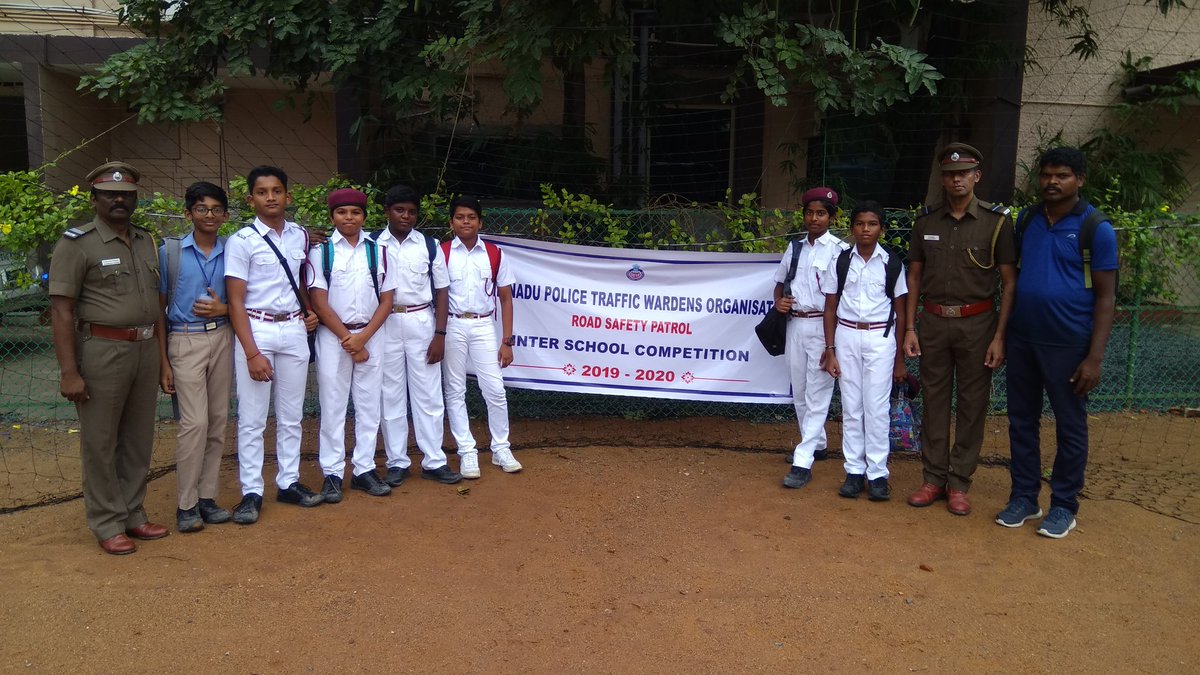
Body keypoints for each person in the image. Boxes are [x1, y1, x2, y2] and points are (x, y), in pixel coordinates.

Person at [48, 161, 169, 555]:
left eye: (127, 195)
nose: (120, 200)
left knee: (137, 439)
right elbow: (62, 310)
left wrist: (161, 359)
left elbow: (156, 303)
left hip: (145, 349)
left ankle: (133, 514)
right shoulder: (77, 243)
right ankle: (106, 522)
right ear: (95, 198)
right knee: (101, 441)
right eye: (111, 194)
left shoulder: (145, 240)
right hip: (102, 350)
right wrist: (70, 372)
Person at [997, 147, 1117, 539]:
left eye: (1061, 175)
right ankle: (1025, 496)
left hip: (1069, 346)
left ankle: (1064, 504)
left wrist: (1094, 358)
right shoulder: (1028, 219)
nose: (1052, 182)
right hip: (1024, 338)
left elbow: (1106, 297)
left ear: (1078, 180)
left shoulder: (1094, 227)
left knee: (1069, 425)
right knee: (1021, 420)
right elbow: (1014, 276)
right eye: (1046, 175)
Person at [903, 143, 1017, 516]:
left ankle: (960, 483)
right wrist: (909, 327)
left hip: (978, 325)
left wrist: (999, 336)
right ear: (943, 177)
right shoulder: (926, 222)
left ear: (976, 177)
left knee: (971, 406)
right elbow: (914, 277)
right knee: (934, 402)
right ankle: (933, 478)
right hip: (933, 323)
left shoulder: (996, 223)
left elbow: (1009, 283)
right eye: (950, 174)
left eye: (963, 173)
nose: (956, 179)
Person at [224, 165, 322, 524]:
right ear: (250, 199)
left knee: (292, 415)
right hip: (257, 329)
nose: (270, 198)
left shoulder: (299, 236)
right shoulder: (241, 241)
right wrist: (251, 351)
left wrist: (309, 312)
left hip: (294, 330)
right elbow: (235, 301)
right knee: (252, 418)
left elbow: (302, 280)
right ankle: (251, 490)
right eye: (262, 192)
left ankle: (289, 481)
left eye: (277, 191)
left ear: (287, 196)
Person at [308, 188, 398, 501]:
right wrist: (349, 339)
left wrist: (363, 337)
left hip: (372, 335)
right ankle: (332, 473)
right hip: (334, 338)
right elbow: (318, 301)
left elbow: (387, 300)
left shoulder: (378, 251)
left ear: (364, 216)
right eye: (342, 212)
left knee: (369, 405)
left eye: (355, 213)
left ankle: (364, 469)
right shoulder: (321, 253)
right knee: (332, 406)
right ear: (332, 216)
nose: (349, 218)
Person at [157, 181, 235, 533]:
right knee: (194, 424)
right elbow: (158, 310)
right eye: (202, 209)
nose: (209, 215)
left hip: (222, 336)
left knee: (218, 420)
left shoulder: (232, 249)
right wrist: (163, 362)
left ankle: (207, 497)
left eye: (217, 209)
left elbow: (246, 297)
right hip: (184, 340)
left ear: (226, 215)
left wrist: (225, 308)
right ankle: (185, 504)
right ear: (188, 213)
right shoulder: (170, 252)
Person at [374, 185, 462, 486]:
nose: (406, 216)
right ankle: (397, 462)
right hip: (384, 323)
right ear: (387, 212)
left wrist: (440, 333)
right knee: (391, 394)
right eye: (400, 210)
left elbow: (442, 291)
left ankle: (434, 460)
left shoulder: (429, 245)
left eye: (411, 211)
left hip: (421, 322)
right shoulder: (372, 243)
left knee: (428, 395)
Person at [821, 201, 908, 501]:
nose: (865, 229)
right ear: (852, 228)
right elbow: (830, 306)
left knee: (877, 407)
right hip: (846, 336)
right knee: (852, 406)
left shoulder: (892, 263)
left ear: (881, 229)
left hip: (879, 339)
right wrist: (830, 349)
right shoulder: (842, 261)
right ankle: (854, 472)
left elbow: (900, 311)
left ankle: (878, 473)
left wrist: (899, 359)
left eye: (872, 224)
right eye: (860, 224)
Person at [441, 196, 522, 479]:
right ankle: (467, 451)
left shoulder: (494, 253)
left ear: (480, 222)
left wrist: (507, 340)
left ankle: (501, 448)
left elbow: (506, 299)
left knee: (495, 389)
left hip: (484, 326)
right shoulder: (442, 252)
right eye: (460, 217)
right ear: (451, 222)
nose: (466, 221)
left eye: (471, 217)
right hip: (452, 325)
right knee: (454, 389)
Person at [777, 187, 850, 489]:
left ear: (831, 217)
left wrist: (832, 341)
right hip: (796, 324)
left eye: (821, 213)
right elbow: (781, 283)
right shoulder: (794, 248)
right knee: (800, 392)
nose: (814, 218)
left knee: (818, 394)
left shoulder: (839, 251)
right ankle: (817, 443)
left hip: (824, 327)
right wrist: (779, 301)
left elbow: (843, 294)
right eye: (810, 213)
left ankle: (802, 460)